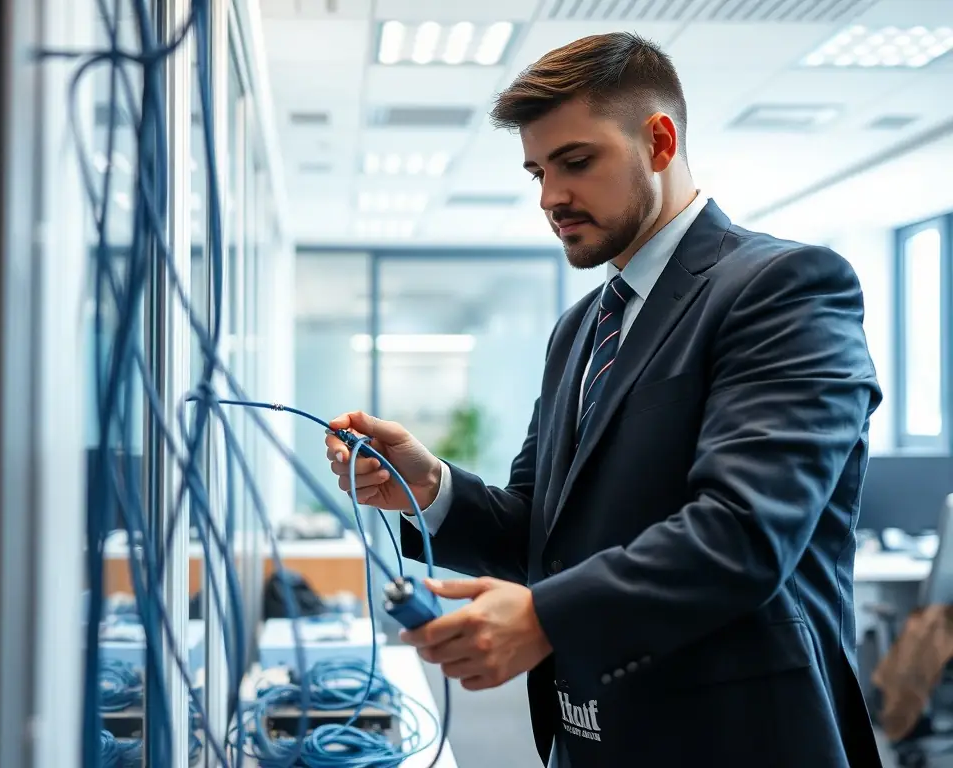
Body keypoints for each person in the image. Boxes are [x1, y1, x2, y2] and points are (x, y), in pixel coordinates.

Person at [325, 32, 884, 768]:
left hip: (736, 738)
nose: (551, 196)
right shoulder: (581, 327)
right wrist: (430, 488)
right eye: (537, 172)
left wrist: (547, 617)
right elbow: (544, 529)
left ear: (658, 141)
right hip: (592, 738)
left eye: (576, 162)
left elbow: (743, 533)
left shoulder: (784, 287)